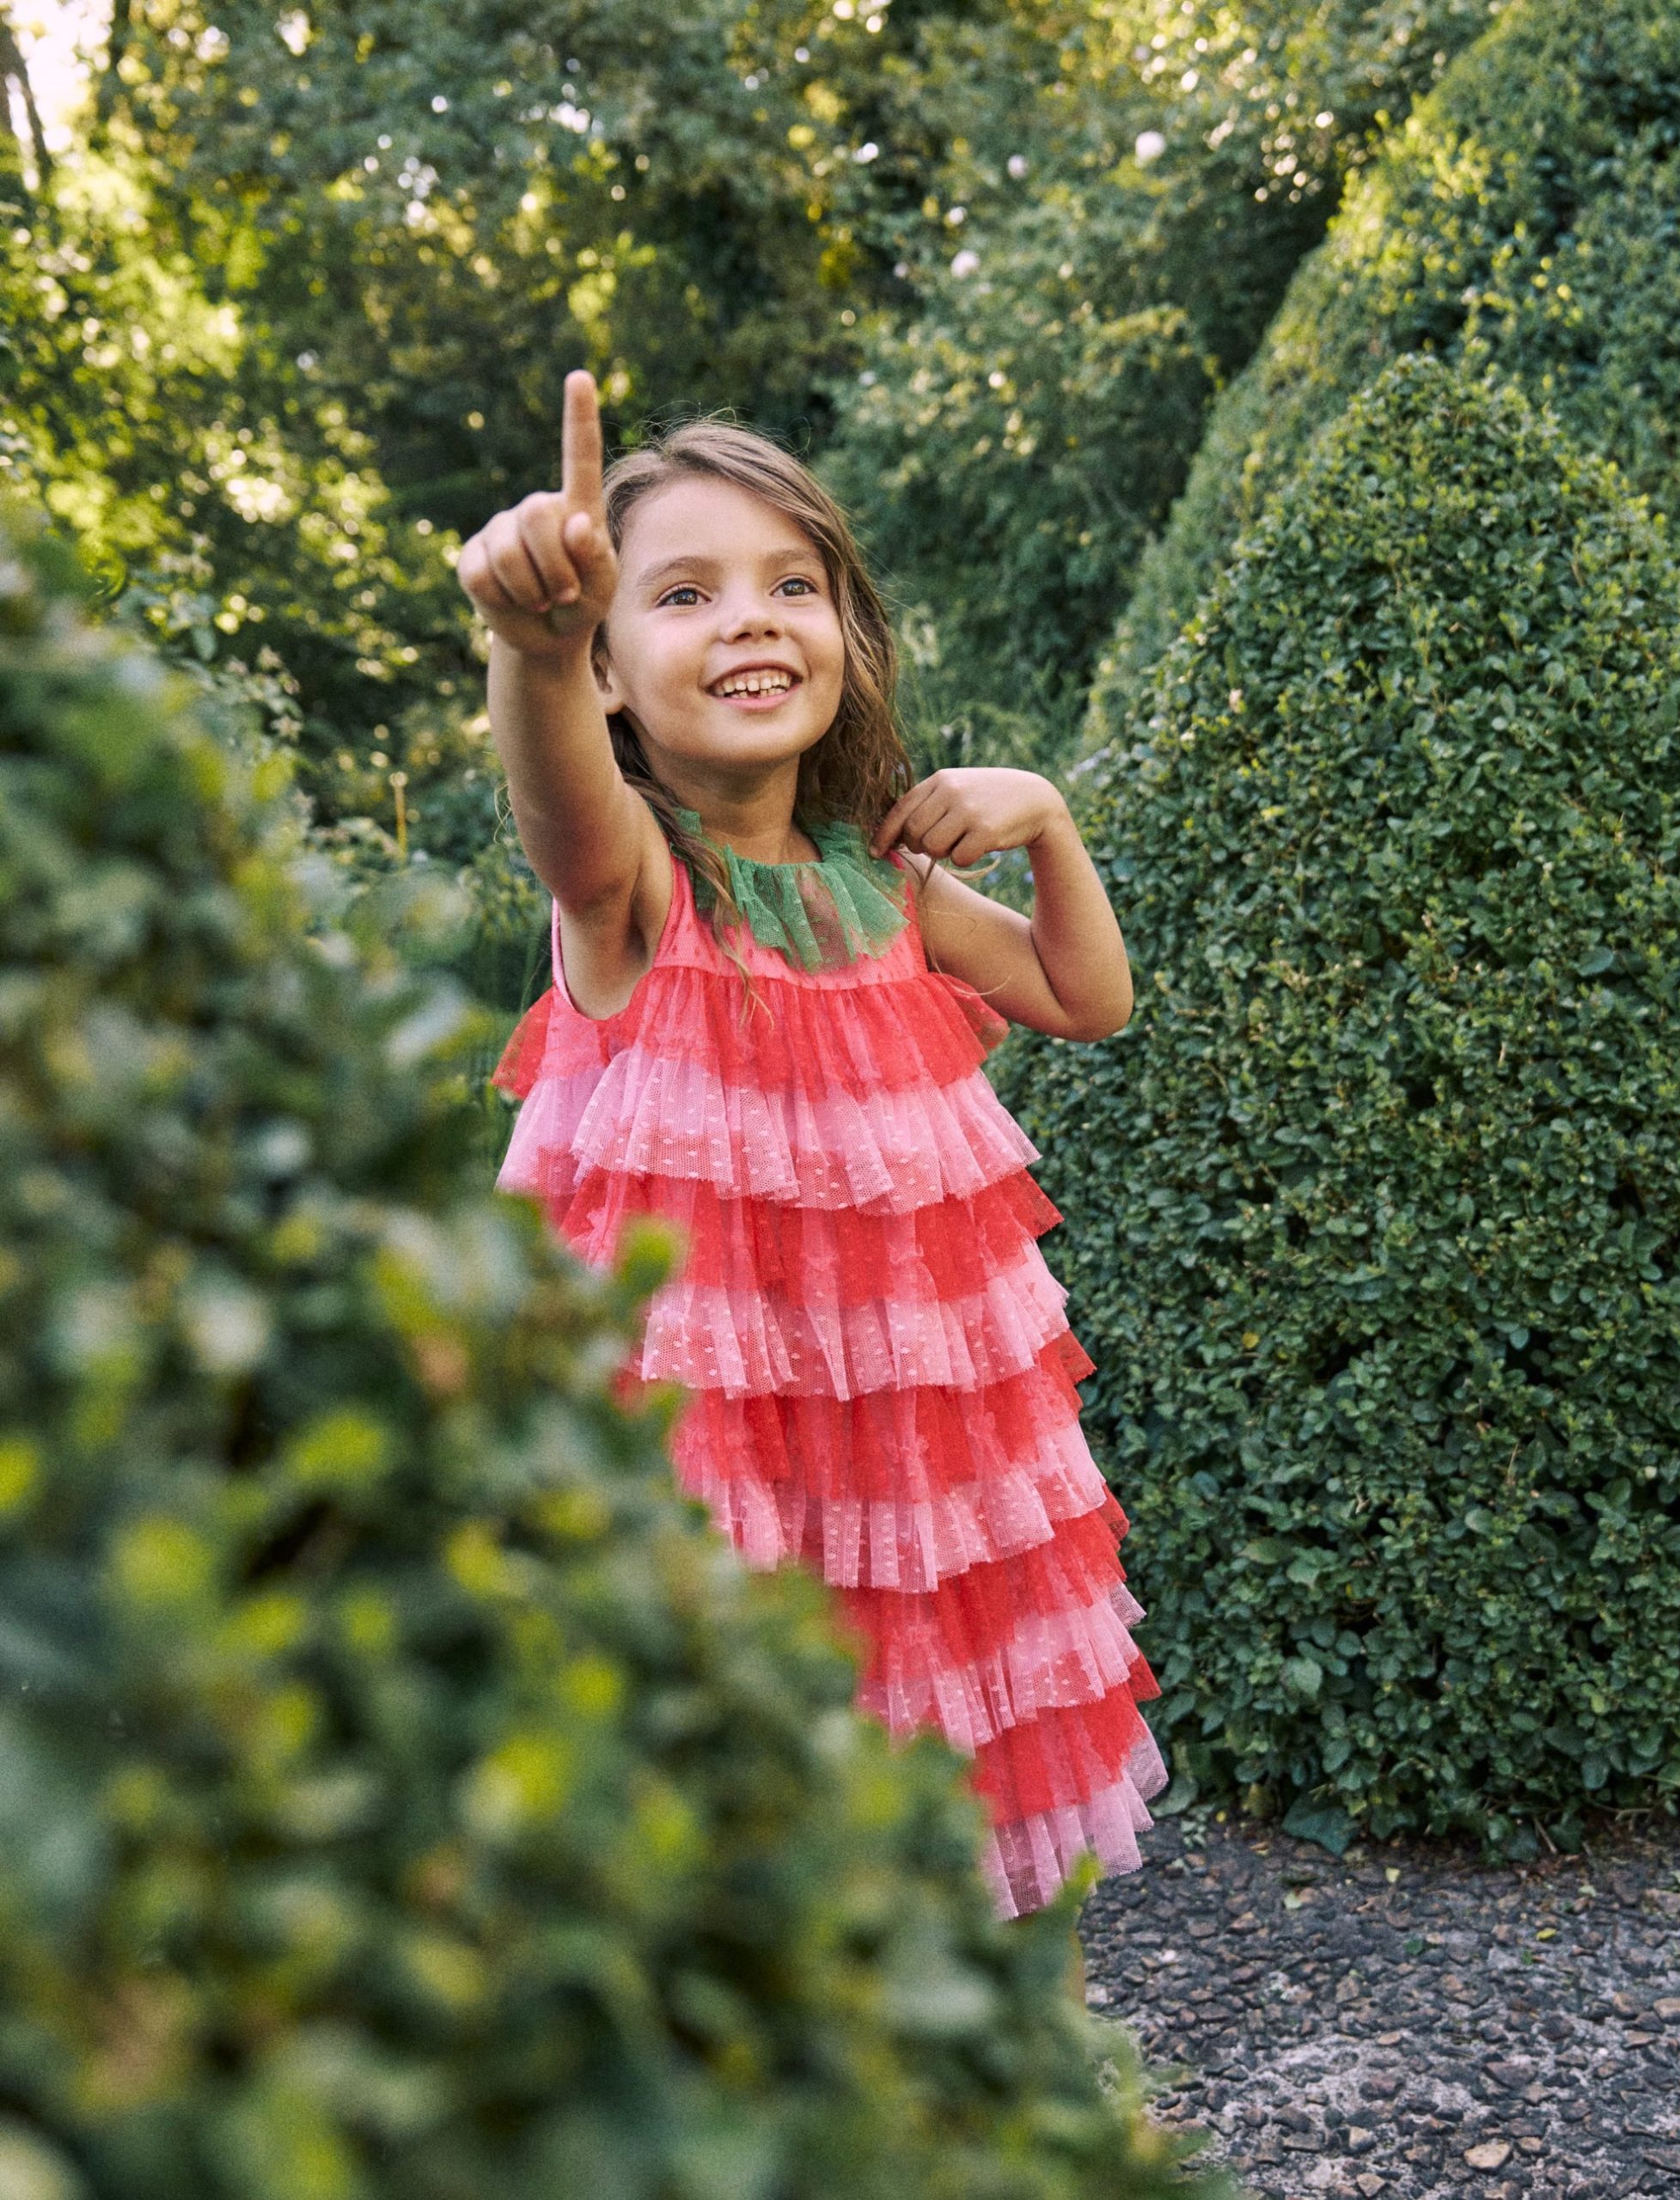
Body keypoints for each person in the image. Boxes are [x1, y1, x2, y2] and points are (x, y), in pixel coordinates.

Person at [461, 370, 1167, 1926]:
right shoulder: (639, 886)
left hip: (908, 1441)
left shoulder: (893, 893)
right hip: (704, 1441)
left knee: (932, 1771)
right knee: (719, 1786)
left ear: (851, 636)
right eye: (686, 592)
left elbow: (1085, 996)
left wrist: (1049, 818)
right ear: (616, 674)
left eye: (795, 583)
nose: (753, 620)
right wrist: (530, 649)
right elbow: (562, 817)